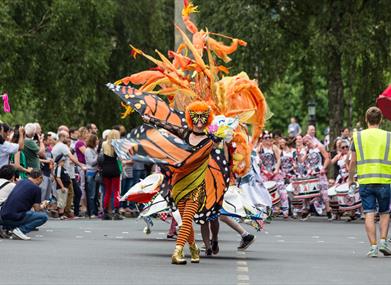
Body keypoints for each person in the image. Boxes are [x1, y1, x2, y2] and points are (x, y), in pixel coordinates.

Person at [348, 106, 391, 257]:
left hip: (366, 180)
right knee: (385, 212)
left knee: (369, 213)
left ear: (366, 119)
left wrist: (350, 178)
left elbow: (353, 161)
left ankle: (373, 247)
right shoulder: (388, 136)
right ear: (381, 120)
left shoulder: (357, 137)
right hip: (385, 179)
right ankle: (384, 241)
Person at [0, 170, 49, 240]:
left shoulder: (20, 182)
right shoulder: (36, 188)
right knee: (43, 217)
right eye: (42, 179)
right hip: (13, 217)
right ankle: (21, 230)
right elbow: (37, 209)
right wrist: (43, 205)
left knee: (23, 212)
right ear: (39, 178)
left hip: (2, 216)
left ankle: (8, 229)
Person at [52, 131, 86, 218]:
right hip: (65, 173)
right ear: (62, 137)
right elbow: (71, 157)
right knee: (69, 193)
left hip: (64, 172)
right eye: (67, 137)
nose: (68, 139)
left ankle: (66, 211)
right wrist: (81, 165)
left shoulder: (56, 146)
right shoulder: (62, 146)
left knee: (68, 193)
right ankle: (66, 211)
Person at [101, 129, 123, 220]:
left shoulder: (104, 144)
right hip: (114, 169)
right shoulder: (117, 145)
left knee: (107, 191)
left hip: (105, 169)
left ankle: (105, 212)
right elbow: (120, 158)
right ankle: (116, 211)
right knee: (116, 191)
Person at [85, 134, 99, 218]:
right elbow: (91, 162)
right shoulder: (88, 150)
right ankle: (91, 212)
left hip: (96, 172)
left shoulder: (94, 149)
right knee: (91, 194)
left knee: (96, 194)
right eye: (96, 140)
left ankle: (95, 211)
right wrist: (98, 156)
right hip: (91, 173)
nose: (97, 141)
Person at [54, 154, 71, 219]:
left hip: (65, 186)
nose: (63, 162)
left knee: (63, 201)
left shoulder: (63, 168)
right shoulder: (59, 168)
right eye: (62, 161)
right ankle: (60, 214)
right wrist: (62, 186)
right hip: (62, 187)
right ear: (59, 161)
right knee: (61, 201)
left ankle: (62, 213)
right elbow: (58, 178)